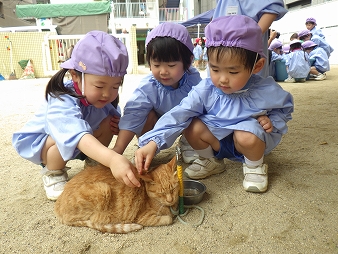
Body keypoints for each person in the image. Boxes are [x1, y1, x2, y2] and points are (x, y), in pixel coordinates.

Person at [135, 15, 294, 193]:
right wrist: (153, 142)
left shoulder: (265, 90)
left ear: (257, 66)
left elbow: (285, 108)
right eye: (215, 69)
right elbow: (180, 113)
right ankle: (210, 161)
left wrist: (271, 119)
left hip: (247, 142)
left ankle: (254, 166)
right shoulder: (206, 89)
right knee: (192, 125)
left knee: (246, 133)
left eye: (233, 71)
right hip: (216, 141)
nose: (222, 79)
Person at [12, 31, 141, 200]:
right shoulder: (61, 97)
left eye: (115, 87)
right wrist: (112, 159)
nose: (107, 94)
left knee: (109, 121)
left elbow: (116, 120)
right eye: (100, 86)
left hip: (82, 142)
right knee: (62, 138)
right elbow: (72, 133)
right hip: (46, 144)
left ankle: (93, 161)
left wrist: (116, 125)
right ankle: (53, 172)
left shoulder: (101, 99)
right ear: (75, 76)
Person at [113, 22, 201, 164]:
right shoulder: (149, 87)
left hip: (185, 121)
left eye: (171, 65)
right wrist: (118, 150)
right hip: (157, 124)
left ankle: (189, 143)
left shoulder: (194, 81)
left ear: (189, 61)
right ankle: (148, 146)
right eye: (156, 65)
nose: (163, 71)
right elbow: (133, 115)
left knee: (197, 114)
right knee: (146, 115)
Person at [213, 0, 287, 78]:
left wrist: (250, 39)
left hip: (247, 51)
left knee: (245, 80)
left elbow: (272, 8)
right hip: (219, 51)